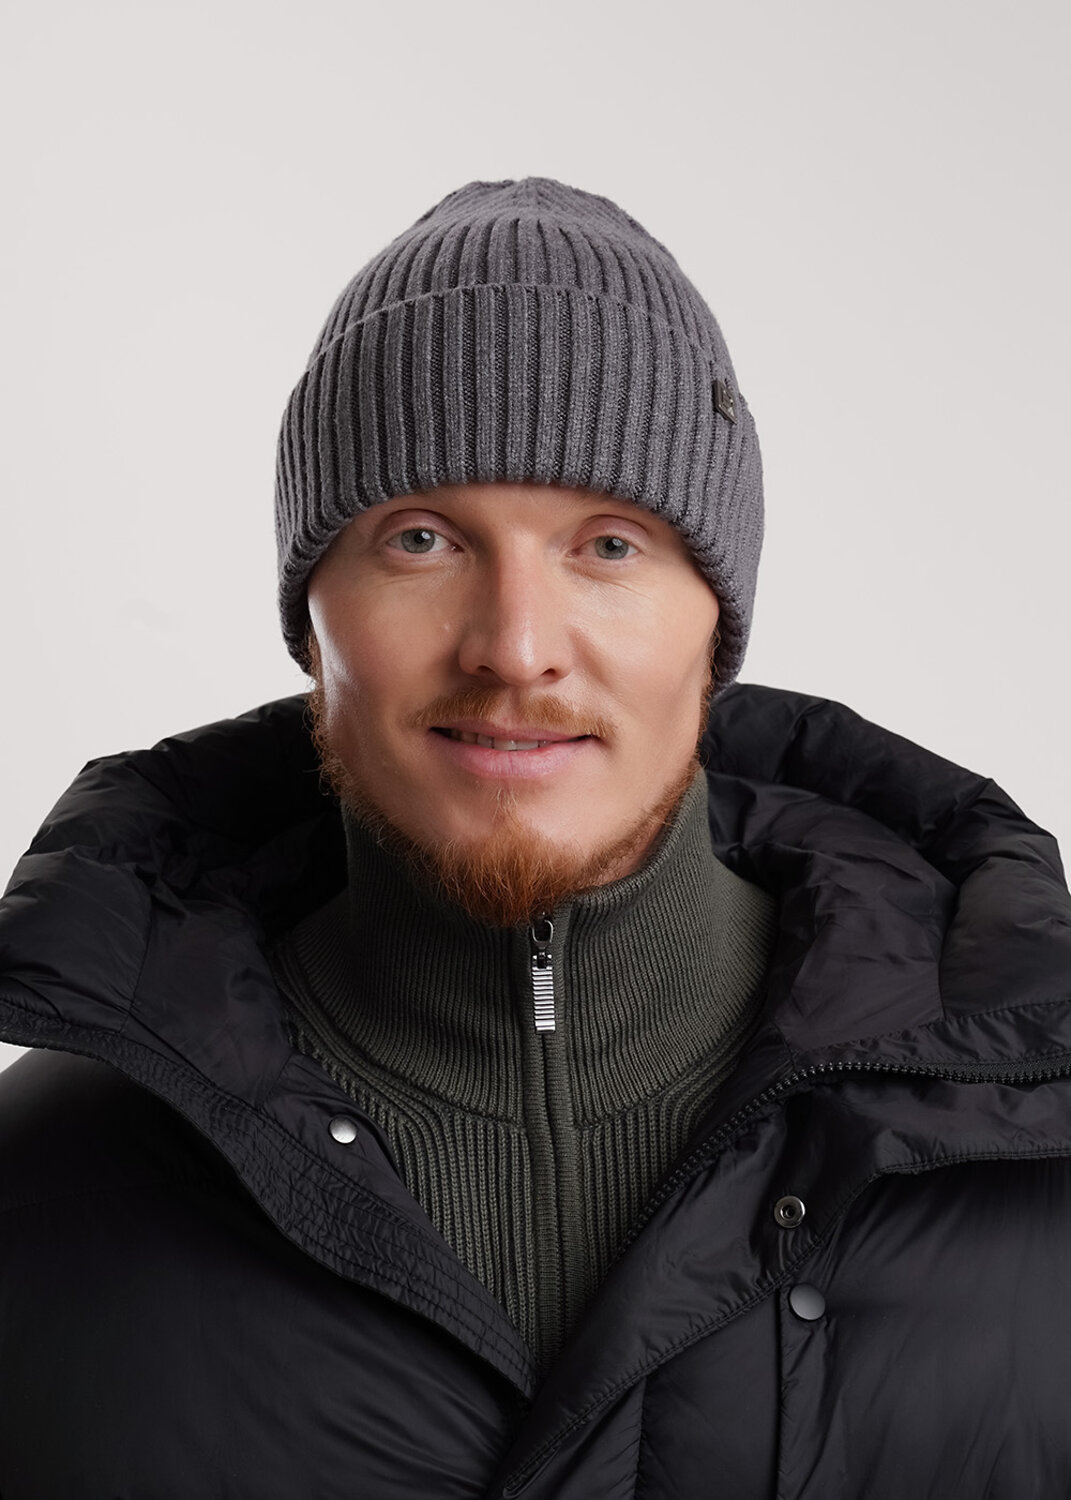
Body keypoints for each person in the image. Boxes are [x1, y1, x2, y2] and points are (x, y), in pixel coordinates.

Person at [1, 177, 1070, 1500]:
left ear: (715, 622)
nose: (514, 648)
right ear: (314, 618)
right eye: (422, 539)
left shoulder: (1028, 1150)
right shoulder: (43, 1186)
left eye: (608, 546)